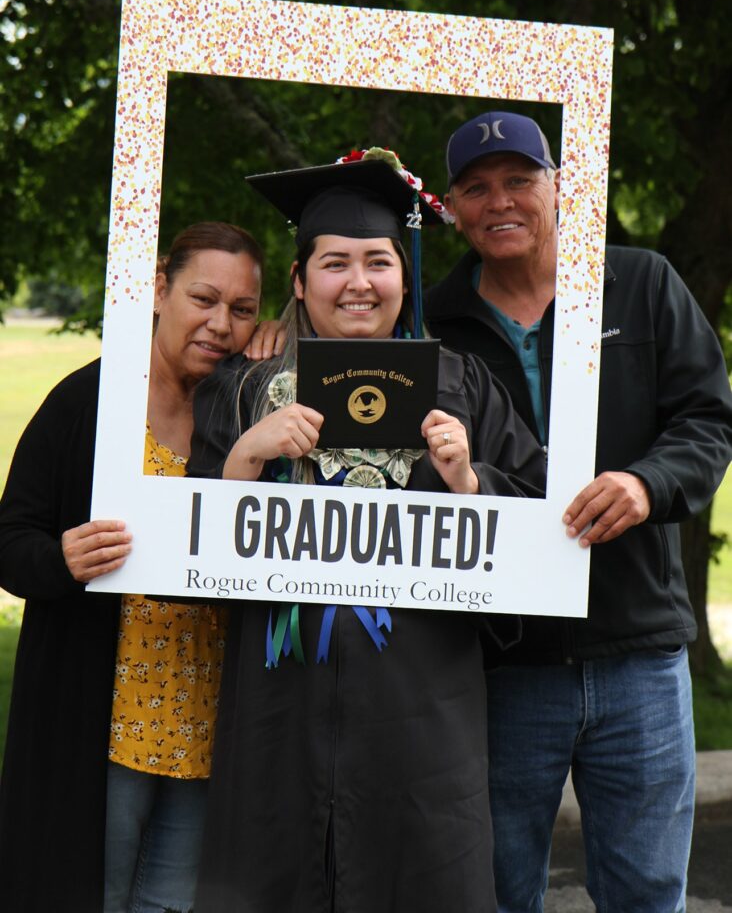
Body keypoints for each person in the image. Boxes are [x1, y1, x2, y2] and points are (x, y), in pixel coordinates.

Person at [187, 149, 546, 913]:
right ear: (298, 280)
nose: (358, 283)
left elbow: (539, 535)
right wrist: (248, 455)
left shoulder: (461, 383)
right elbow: (187, 552)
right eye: (334, 263)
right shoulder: (242, 390)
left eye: (378, 261)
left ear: (404, 276)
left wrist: (470, 482)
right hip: (276, 708)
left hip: (422, 714)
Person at [424, 110, 732, 912]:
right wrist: (279, 334)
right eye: (477, 188)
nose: (502, 201)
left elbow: (708, 419)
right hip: (499, 666)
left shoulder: (641, 281)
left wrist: (648, 483)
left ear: (559, 187)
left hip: (639, 654)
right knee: (490, 892)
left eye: (521, 181)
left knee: (646, 893)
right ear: (451, 208)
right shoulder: (428, 322)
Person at [0, 221, 264, 913]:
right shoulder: (89, 403)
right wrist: (60, 558)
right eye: (203, 299)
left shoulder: (245, 411)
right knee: (92, 896)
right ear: (157, 290)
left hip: (206, 727)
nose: (220, 324)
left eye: (242, 310)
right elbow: (11, 540)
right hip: (102, 720)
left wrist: (281, 349)